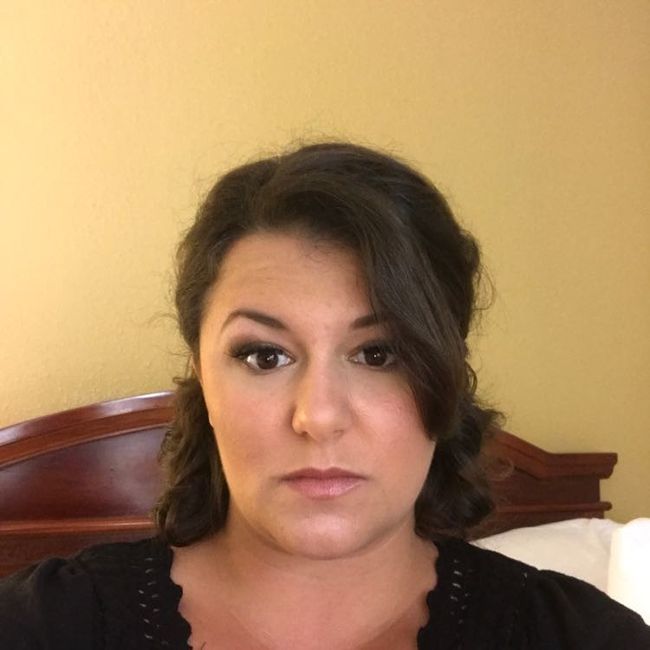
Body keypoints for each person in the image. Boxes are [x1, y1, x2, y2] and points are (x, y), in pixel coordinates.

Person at [0, 142, 648, 649]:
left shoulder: (585, 638)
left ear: (448, 375)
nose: (318, 416)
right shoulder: (41, 627)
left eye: (379, 354)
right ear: (201, 376)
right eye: (265, 356)